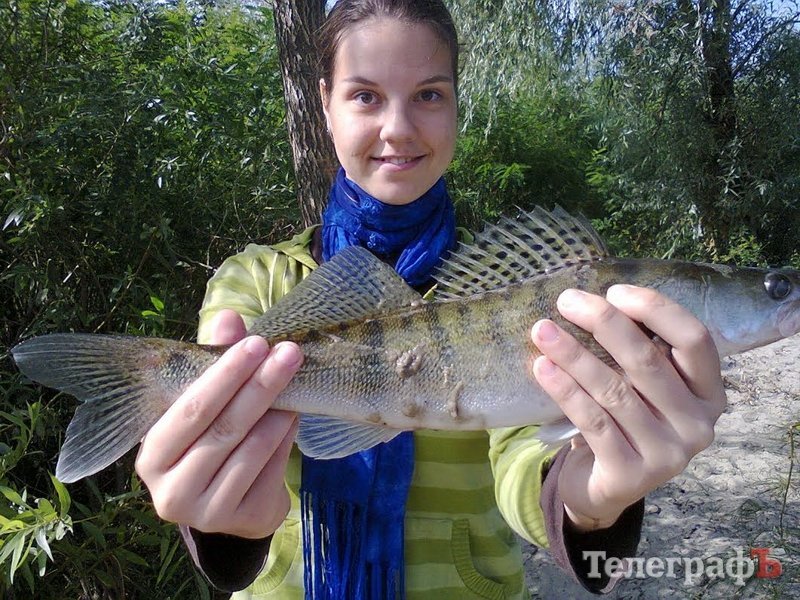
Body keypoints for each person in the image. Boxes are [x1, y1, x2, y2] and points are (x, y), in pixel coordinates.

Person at [134, 1, 727, 598]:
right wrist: (223, 517)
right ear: (324, 104)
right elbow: (217, 449)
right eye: (365, 95)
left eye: (429, 95)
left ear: (456, 105)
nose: (398, 127)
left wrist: (592, 497)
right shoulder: (255, 280)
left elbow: (523, 455)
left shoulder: (511, 292)